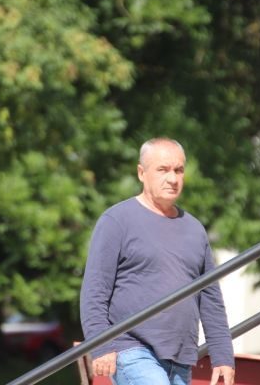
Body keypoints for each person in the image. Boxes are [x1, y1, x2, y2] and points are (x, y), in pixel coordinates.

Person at [80, 138, 235, 385]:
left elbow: (210, 298)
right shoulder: (117, 220)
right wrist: (101, 345)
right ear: (141, 173)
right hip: (131, 349)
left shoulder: (194, 229)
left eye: (179, 170)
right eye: (163, 169)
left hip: (181, 357)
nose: (172, 178)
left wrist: (223, 355)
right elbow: (94, 292)